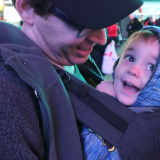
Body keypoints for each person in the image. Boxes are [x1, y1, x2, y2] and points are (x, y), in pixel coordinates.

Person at [0, 0, 143, 159]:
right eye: (84, 21)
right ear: (27, 9)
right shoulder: (9, 88)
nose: (102, 39)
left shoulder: (74, 59)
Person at [81, 27, 160, 159]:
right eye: (130, 58)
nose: (133, 69)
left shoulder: (148, 131)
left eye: (151, 67)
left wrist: (104, 104)